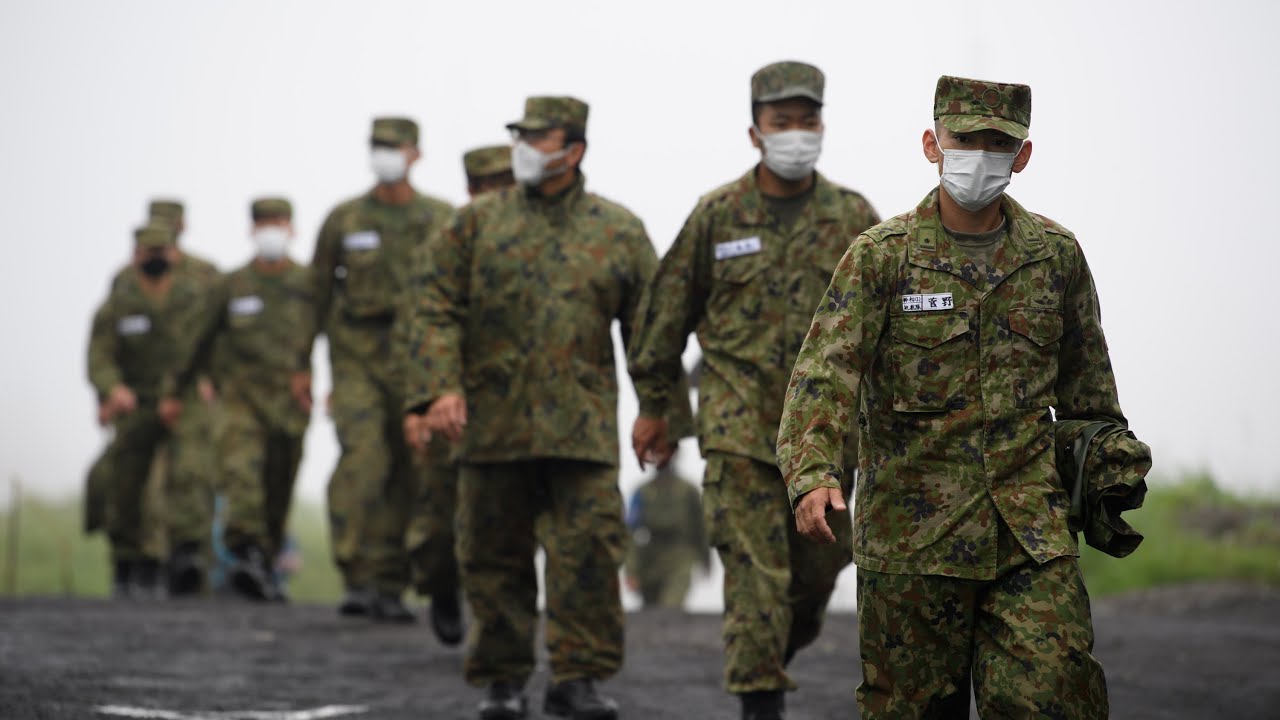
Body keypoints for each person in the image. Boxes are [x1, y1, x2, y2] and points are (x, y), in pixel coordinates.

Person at [776, 75, 1129, 719]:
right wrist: (812, 472)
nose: (982, 154)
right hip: (911, 542)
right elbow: (824, 374)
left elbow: (1091, 399)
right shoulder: (882, 258)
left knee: (1056, 699)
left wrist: (1109, 468)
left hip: (1030, 535)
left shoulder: (1055, 258)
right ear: (932, 145)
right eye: (966, 138)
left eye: (999, 142)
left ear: (1022, 155)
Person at [406, 95, 691, 720]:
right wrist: (436, 391)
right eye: (521, 137)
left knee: (589, 555)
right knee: (492, 559)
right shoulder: (474, 226)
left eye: (540, 139)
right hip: (490, 430)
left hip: (580, 433)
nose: (525, 150)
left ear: (574, 150)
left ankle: (577, 680)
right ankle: (502, 682)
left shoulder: (616, 229)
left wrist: (660, 411)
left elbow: (650, 328)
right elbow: (433, 310)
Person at [626, 60, 879, 720]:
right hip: (739, 430)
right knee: (755, 580)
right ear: (754, 132)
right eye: (781, 123)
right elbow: (663, 319)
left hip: (827, 442)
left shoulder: (854, 218)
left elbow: (888, 329)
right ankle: (759, 701)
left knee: (814, 580)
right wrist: (658, 408)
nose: (797, 134)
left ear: (823, 126)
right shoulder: (718, 216)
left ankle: (769, 653)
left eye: (808, 121)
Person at [311, 117, 455, 622]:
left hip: (419, 360)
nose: (385, 155)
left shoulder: (441, 217)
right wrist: (302, 369)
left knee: (413, 469)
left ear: (415, 154)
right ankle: (358, 575)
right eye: (377, 146)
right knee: (364, 460)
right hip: (357, 360)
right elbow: (317, 294)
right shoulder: (344, 219)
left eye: (394, 147)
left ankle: (392, 583)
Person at [160, 197, 315, 602]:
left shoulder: (308, 283)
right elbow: (197, 341)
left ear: (292, 228)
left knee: (277, 487)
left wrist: (321, 380)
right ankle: (245, 552)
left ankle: (264, 560)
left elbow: (334, 333)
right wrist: (175, 392)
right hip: (240, 400)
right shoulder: (230, 286)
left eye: (278, 222)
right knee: (241, 474)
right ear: (251, 229)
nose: (271, 230)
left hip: (289, 406)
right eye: (263, 222)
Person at [400, 143, 515, 645]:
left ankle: (498, 624)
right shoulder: (444, 248)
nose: (499, 196)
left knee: (499, 523)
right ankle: (440, 586)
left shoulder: (534, 247)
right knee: (438, 521)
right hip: (448, 402)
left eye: (507, 185)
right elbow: (418, 329)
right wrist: (418, 406)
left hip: (509, 406)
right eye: (489, 187)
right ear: (471, 192)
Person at [86, 221, 214, 598]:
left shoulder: (194, 297)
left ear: (174, 254)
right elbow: (100, 355)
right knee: (126, 479)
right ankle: (128, 562)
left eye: (161, 253)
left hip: (184, 395)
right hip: (136, 399)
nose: (155, 260)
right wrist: (112, 390)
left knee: (190, 468)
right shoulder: (118, 304)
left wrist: (206, 381)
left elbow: (209, 344)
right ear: (135, 255)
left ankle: (186, 554)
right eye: (148, 253)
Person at [623, 460, 708, 610]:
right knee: (649, 613)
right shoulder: (642, 491)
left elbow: (700, 528)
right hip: (650, 556)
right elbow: (631, 531)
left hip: (680, 555)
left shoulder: (688, 491)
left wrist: (706, 561)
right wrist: (631, 570)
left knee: (671, 608)